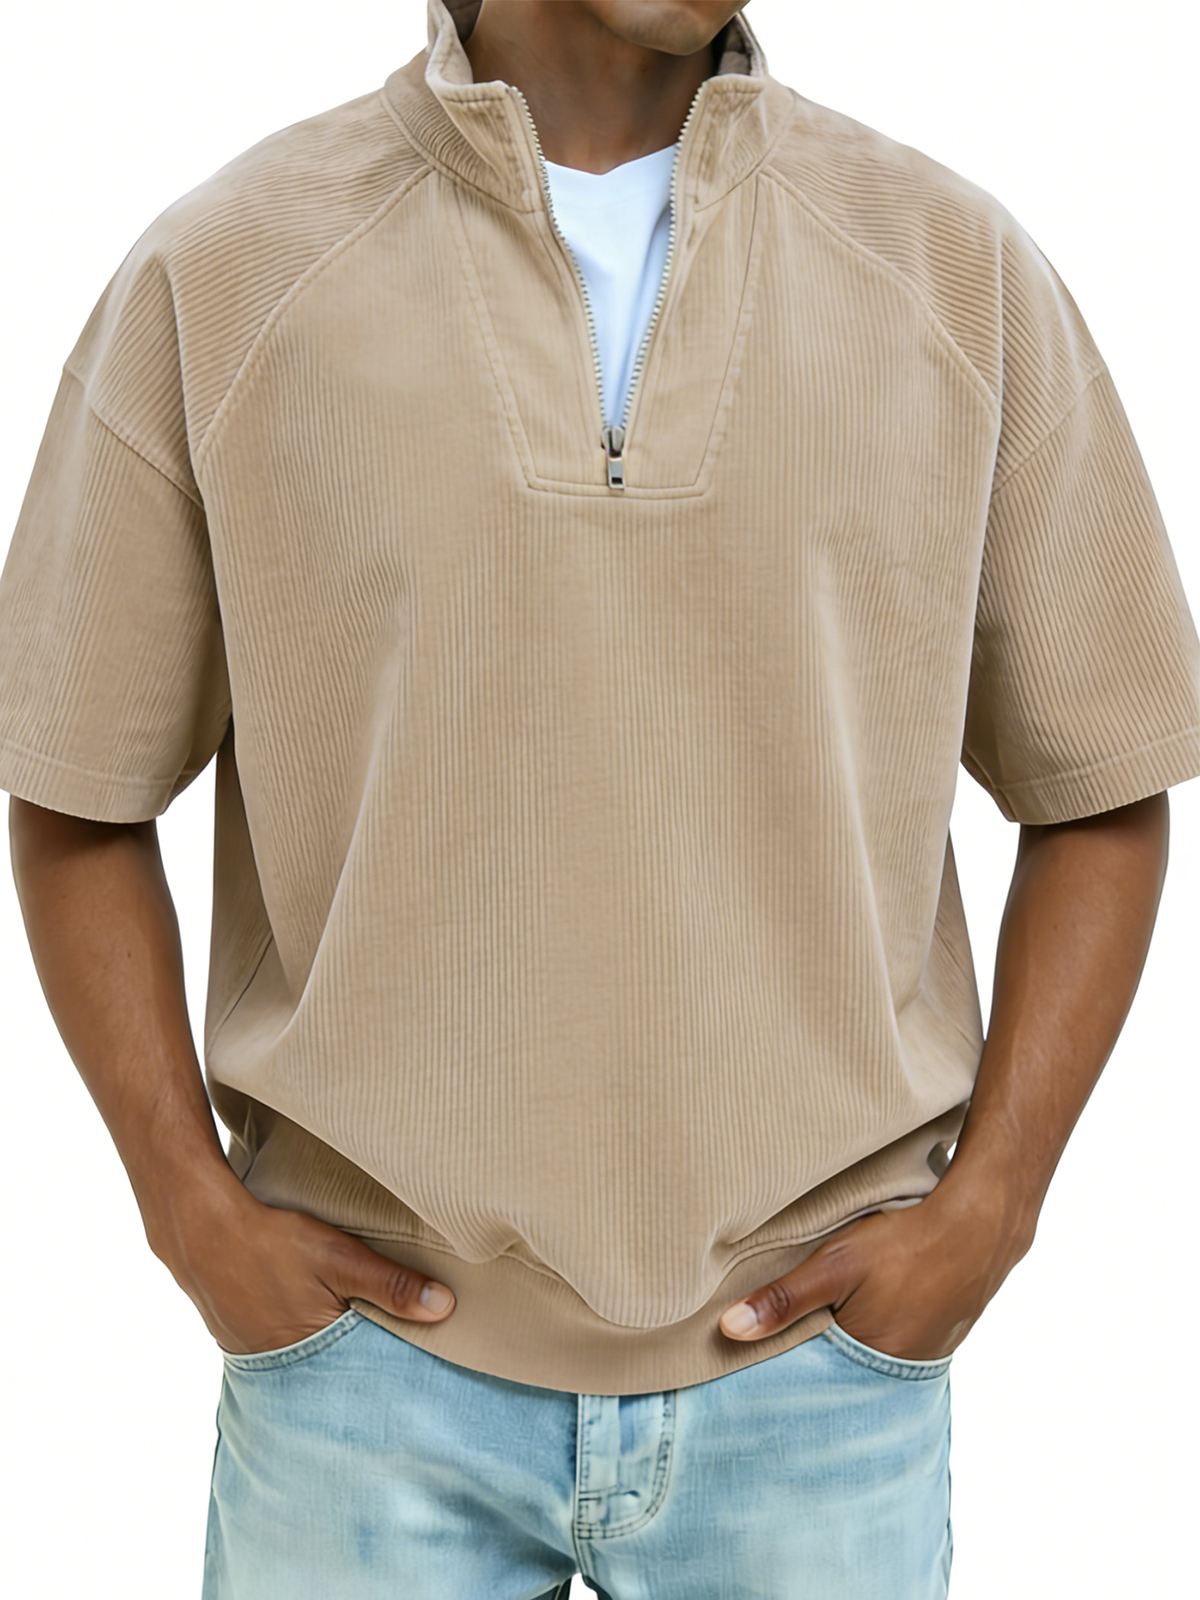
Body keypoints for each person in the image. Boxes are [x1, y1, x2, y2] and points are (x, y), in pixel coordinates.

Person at [1, 0, 1197, 1594]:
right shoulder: (226, 271)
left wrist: (996, 1206)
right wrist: (182, 1207)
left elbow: (1100, 775)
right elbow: (76, 779)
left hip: (816, 1383)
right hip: (363, 1381)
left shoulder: (952, 270)